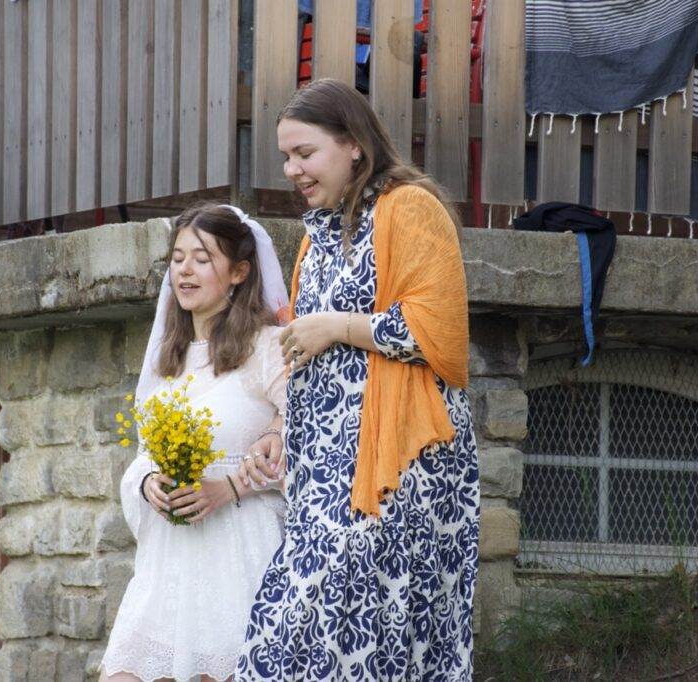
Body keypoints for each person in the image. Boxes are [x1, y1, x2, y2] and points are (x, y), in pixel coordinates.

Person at [236, 78, 480, 681]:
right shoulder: (317, 235)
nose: (292, 169)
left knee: (372, 634)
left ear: (353, 145)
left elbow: (440, 334)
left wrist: (339, 326)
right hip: (324, 469)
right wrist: (280, 427)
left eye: (304, 152)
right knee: (291, 631)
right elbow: (305, 352)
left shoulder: (410, 208)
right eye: (286, 157)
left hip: (398, 465)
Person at [99, 203, 290, 682]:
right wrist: (149, 483)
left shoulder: (269, 347)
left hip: (240, 550)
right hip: (170, 561)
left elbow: (312, 442)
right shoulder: (169, 357)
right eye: (178, 258)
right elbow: (145, 453)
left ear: (239, 272)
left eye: (202, 259)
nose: (184, 270)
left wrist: (229, 488)